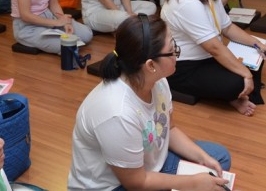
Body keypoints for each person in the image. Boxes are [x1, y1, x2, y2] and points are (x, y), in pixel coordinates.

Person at [68, 15, 231, 191]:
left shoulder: (156, 80)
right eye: (172, 49)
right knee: (205, 183)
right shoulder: (117, 112)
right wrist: (192, 183)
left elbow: (171, 129)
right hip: (116, 185)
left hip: (148, 166)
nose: (177, 53)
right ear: (151, 65)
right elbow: (136, 183)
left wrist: (202, 158)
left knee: (219, 158)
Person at [161, 0, 266, 116]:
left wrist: (257, 43)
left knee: (258, 54)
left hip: (208, 57)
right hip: (184, 66)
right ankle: (234, 95)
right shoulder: (186, 2)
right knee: (238, 81)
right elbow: (213, 47)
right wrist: (246, 74)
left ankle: (236, 93)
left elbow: (227, 27)